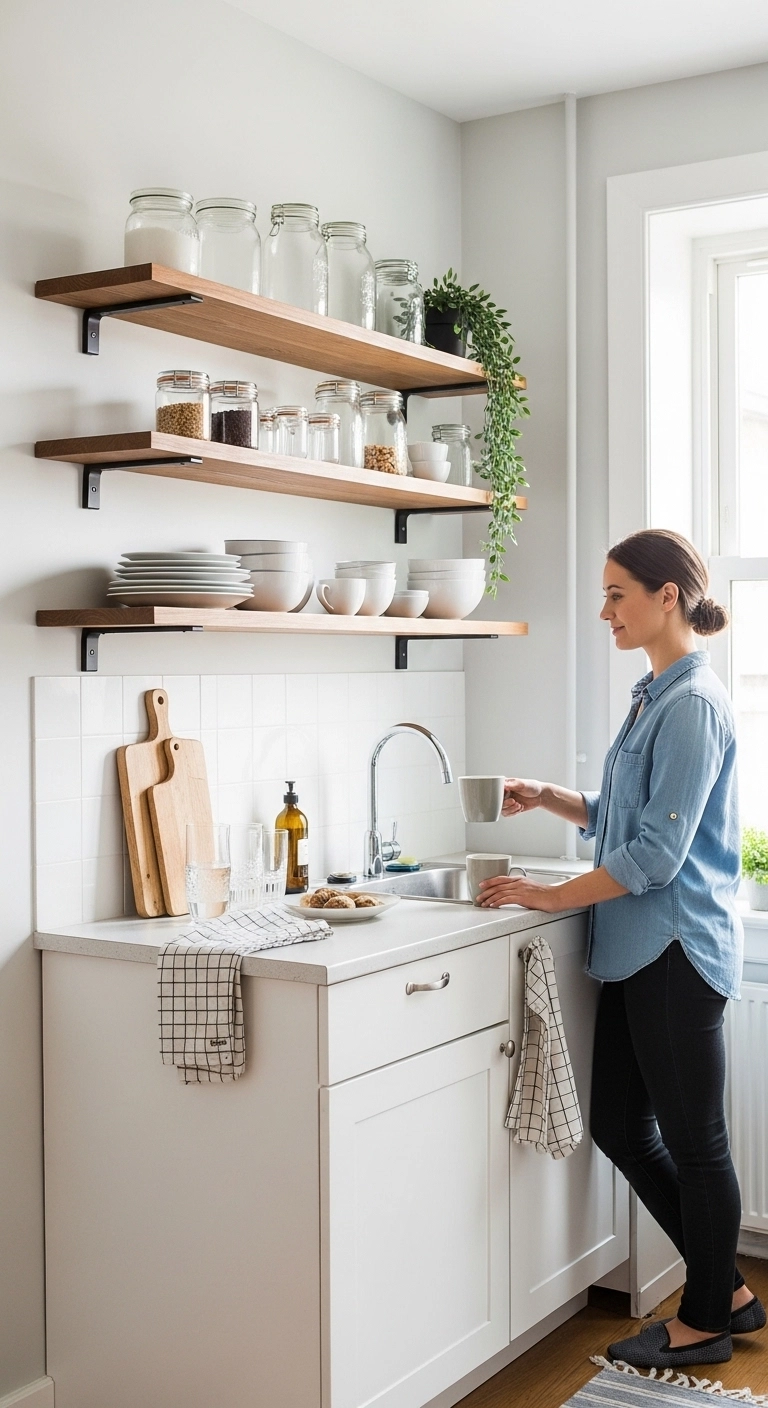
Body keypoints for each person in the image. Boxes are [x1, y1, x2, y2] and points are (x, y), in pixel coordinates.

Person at [477, 528, 765, 1370]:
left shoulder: (693, 705)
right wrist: (552, 797)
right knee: (618, 1126)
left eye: (616, 594)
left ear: (666, 596)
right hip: (640, 953)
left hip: (675, 952)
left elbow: (657, 856)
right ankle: (729, 1293)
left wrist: (549, 895)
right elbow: (625, 815)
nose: (604, 610)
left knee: (697, 1143)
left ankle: (704, 1321)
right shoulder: (653, 695)